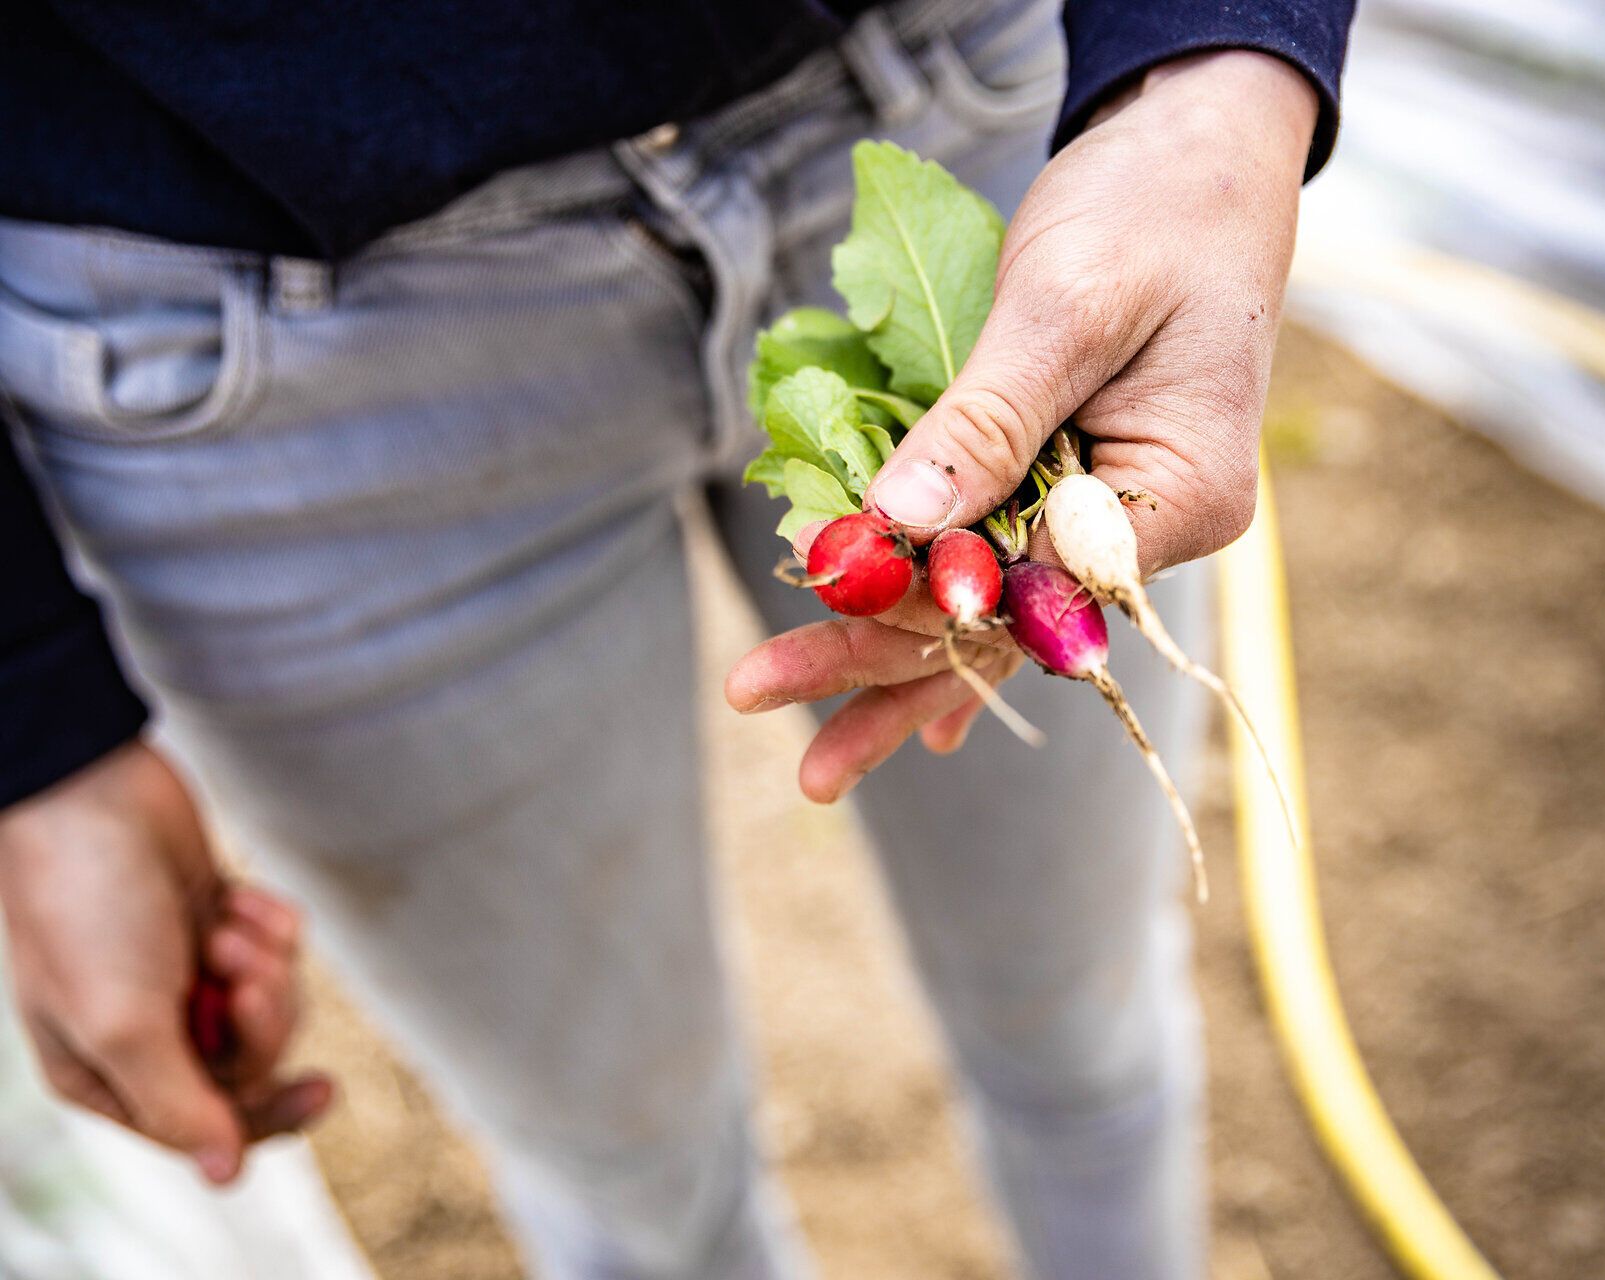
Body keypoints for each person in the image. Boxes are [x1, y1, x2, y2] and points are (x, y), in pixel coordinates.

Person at [0, 1, 1350, 1276]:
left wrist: (1215, 69)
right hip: (245, 292)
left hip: (945, 86)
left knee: (1092, 1033)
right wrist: (32, 731)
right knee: (634, 1192)